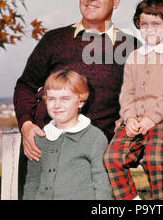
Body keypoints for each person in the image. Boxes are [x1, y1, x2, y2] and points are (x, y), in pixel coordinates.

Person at [13, 0, 139, 198]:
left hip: (91, 156)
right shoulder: (54, 40)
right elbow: (26, 86)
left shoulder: (130, 47)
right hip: (42, 150)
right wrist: (26, 125)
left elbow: (144, 98)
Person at [104, 0, 163, 200]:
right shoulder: (134, 57)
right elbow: (127, 93)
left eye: (156, 24)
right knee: (112, 158)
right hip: (134, 121)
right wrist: (130, 118)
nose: (150, 29)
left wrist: (151, 119)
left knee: (154, 158)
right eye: (144, 24)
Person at [22, 69, 112, 200]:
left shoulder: (95, 138)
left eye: (65, 98)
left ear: (80, 100)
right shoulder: (40, 138)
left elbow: (102, 184)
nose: (57, 105)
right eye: (51, 99)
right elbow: (32, 182)